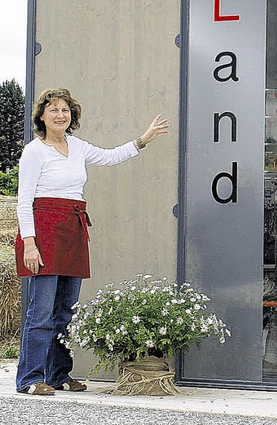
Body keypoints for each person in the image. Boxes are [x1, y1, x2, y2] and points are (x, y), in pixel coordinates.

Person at [14, 88, 169, 395]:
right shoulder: (34, 151)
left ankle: (58, 375)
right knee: (41, 313)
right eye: (54, 109)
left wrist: (144, 139)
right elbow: (24, 201)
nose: (60, 115)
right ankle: (30, 379)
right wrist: (29, 244)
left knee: (66, 312)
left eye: (65, 110)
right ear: (41, 116)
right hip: (43, 235)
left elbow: (111, 157)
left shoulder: (77, 146)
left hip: (72, 231)